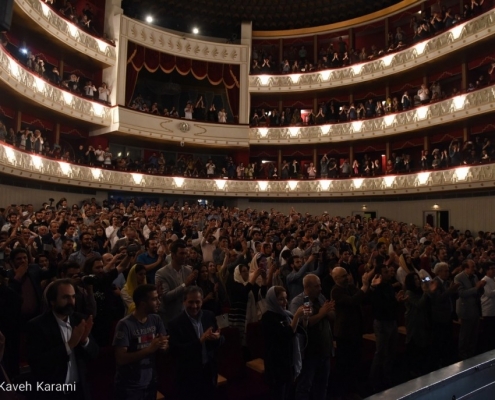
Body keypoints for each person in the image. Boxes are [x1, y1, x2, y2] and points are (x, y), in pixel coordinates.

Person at [26, 279, 99, 400]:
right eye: (65, 298)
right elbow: (37, 364)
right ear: (52, 301)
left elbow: (95, 354)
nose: (71, 302)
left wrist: (84, 340)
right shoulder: (37, 326)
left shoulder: (79, 320)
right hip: (52, 393)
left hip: (79, 391)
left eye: (73, 297)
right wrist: (69, 345)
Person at [168, 286, 224, 400]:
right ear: (184, 302)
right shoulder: (175, 324)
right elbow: (176, 352)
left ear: (202, 301)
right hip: (188, 376)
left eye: (197, 302)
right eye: (191, 302)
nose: (194, 306)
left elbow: (220, 340)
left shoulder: (209, 316)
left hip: (208, 371)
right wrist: (200, 340)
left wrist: (217, 338)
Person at [113, 284, 168, 400]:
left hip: (150, 382)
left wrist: (164, 345)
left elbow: (164, 345)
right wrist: (149, 349)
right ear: (143, 303)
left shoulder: (156, 319)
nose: (158, 302)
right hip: (130, 386)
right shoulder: (125, 325)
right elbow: (121, 358)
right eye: (154, 299)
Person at [331, 267, 378, 398]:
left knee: (356, 360)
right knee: (345, 363)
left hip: (356, 330)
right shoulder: (336, 291)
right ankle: (344, 392)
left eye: (347, 274)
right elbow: (352, 301)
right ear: (336, 279)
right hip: (344, 333)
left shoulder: (350, 287)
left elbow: (362, 297)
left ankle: (354, 388)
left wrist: (371, 287)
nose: (347, 277)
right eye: (343, 276)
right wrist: (364, 287)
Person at [290, 274, 334, 400]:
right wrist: (322, 314)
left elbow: (333, 316)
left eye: (320, 285)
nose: (320, 288)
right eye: (316, 286)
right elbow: (301, 325)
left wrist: (328, 312)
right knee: (305, 388)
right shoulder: (297, 301)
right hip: (308, 353)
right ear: (307, 287)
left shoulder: (320, 298)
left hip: (324, 350)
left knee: (322, 386)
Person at [262, 285, 306, 400]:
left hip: (287, 362)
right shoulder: (268, 317)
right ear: (273, 300)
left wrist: (304, 318)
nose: (285, 302)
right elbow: (286, 334)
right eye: (281, 299)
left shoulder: (285, 314)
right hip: (276, 367)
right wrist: (296, 316)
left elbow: (300, 331)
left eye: (286, 298)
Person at [155, 240, 197, 327]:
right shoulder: (161, 273)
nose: (185, 256)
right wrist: (185, 284)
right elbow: (165, 297)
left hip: (186, 315)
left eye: (186, 253)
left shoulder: (188, 270)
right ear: (173, 255)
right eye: (181, 254)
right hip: (170, 317)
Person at [455, 260, 486, 360]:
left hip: (475, 310)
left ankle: (472, 354)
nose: (474, 269)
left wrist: (481, 288)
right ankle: (463, 355)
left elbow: (478, 292)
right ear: (466, 268)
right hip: (465, 310)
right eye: (472, 267)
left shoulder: (475, 276)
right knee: (465, 335)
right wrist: (476, 288)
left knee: (474, 334)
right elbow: (462, 294)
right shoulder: (459, 278)